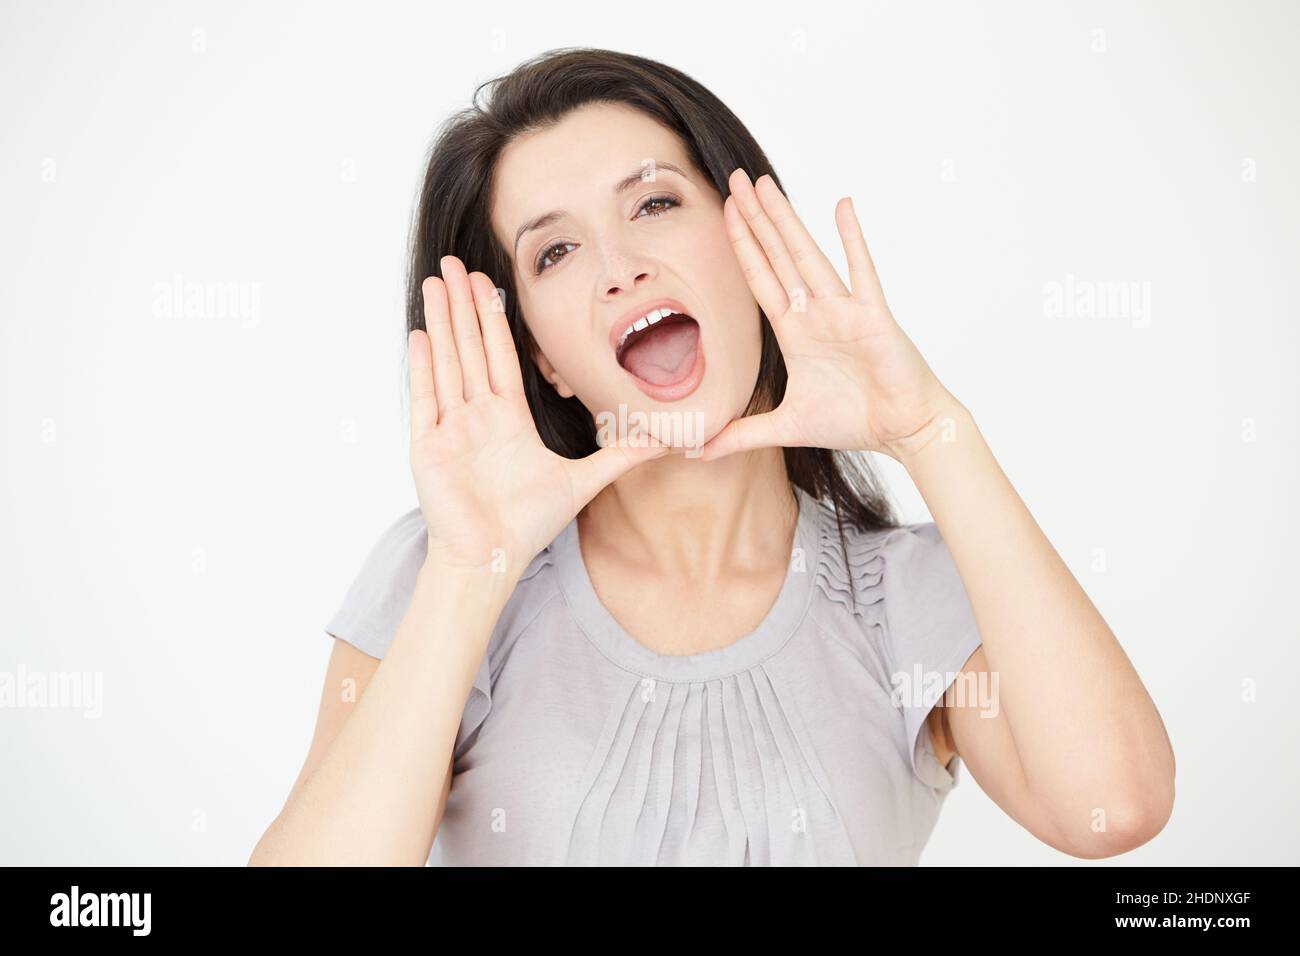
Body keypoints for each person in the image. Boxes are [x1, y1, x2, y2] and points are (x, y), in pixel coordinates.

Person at [249, 48, 1175, 866]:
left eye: (654, 202)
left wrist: (931, 432)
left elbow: (1113, 810)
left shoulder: (906, 601)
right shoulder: (444, 577)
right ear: (543, 358)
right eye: (557, 250)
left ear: (747, 248)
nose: (620, 266)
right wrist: (465, 575)